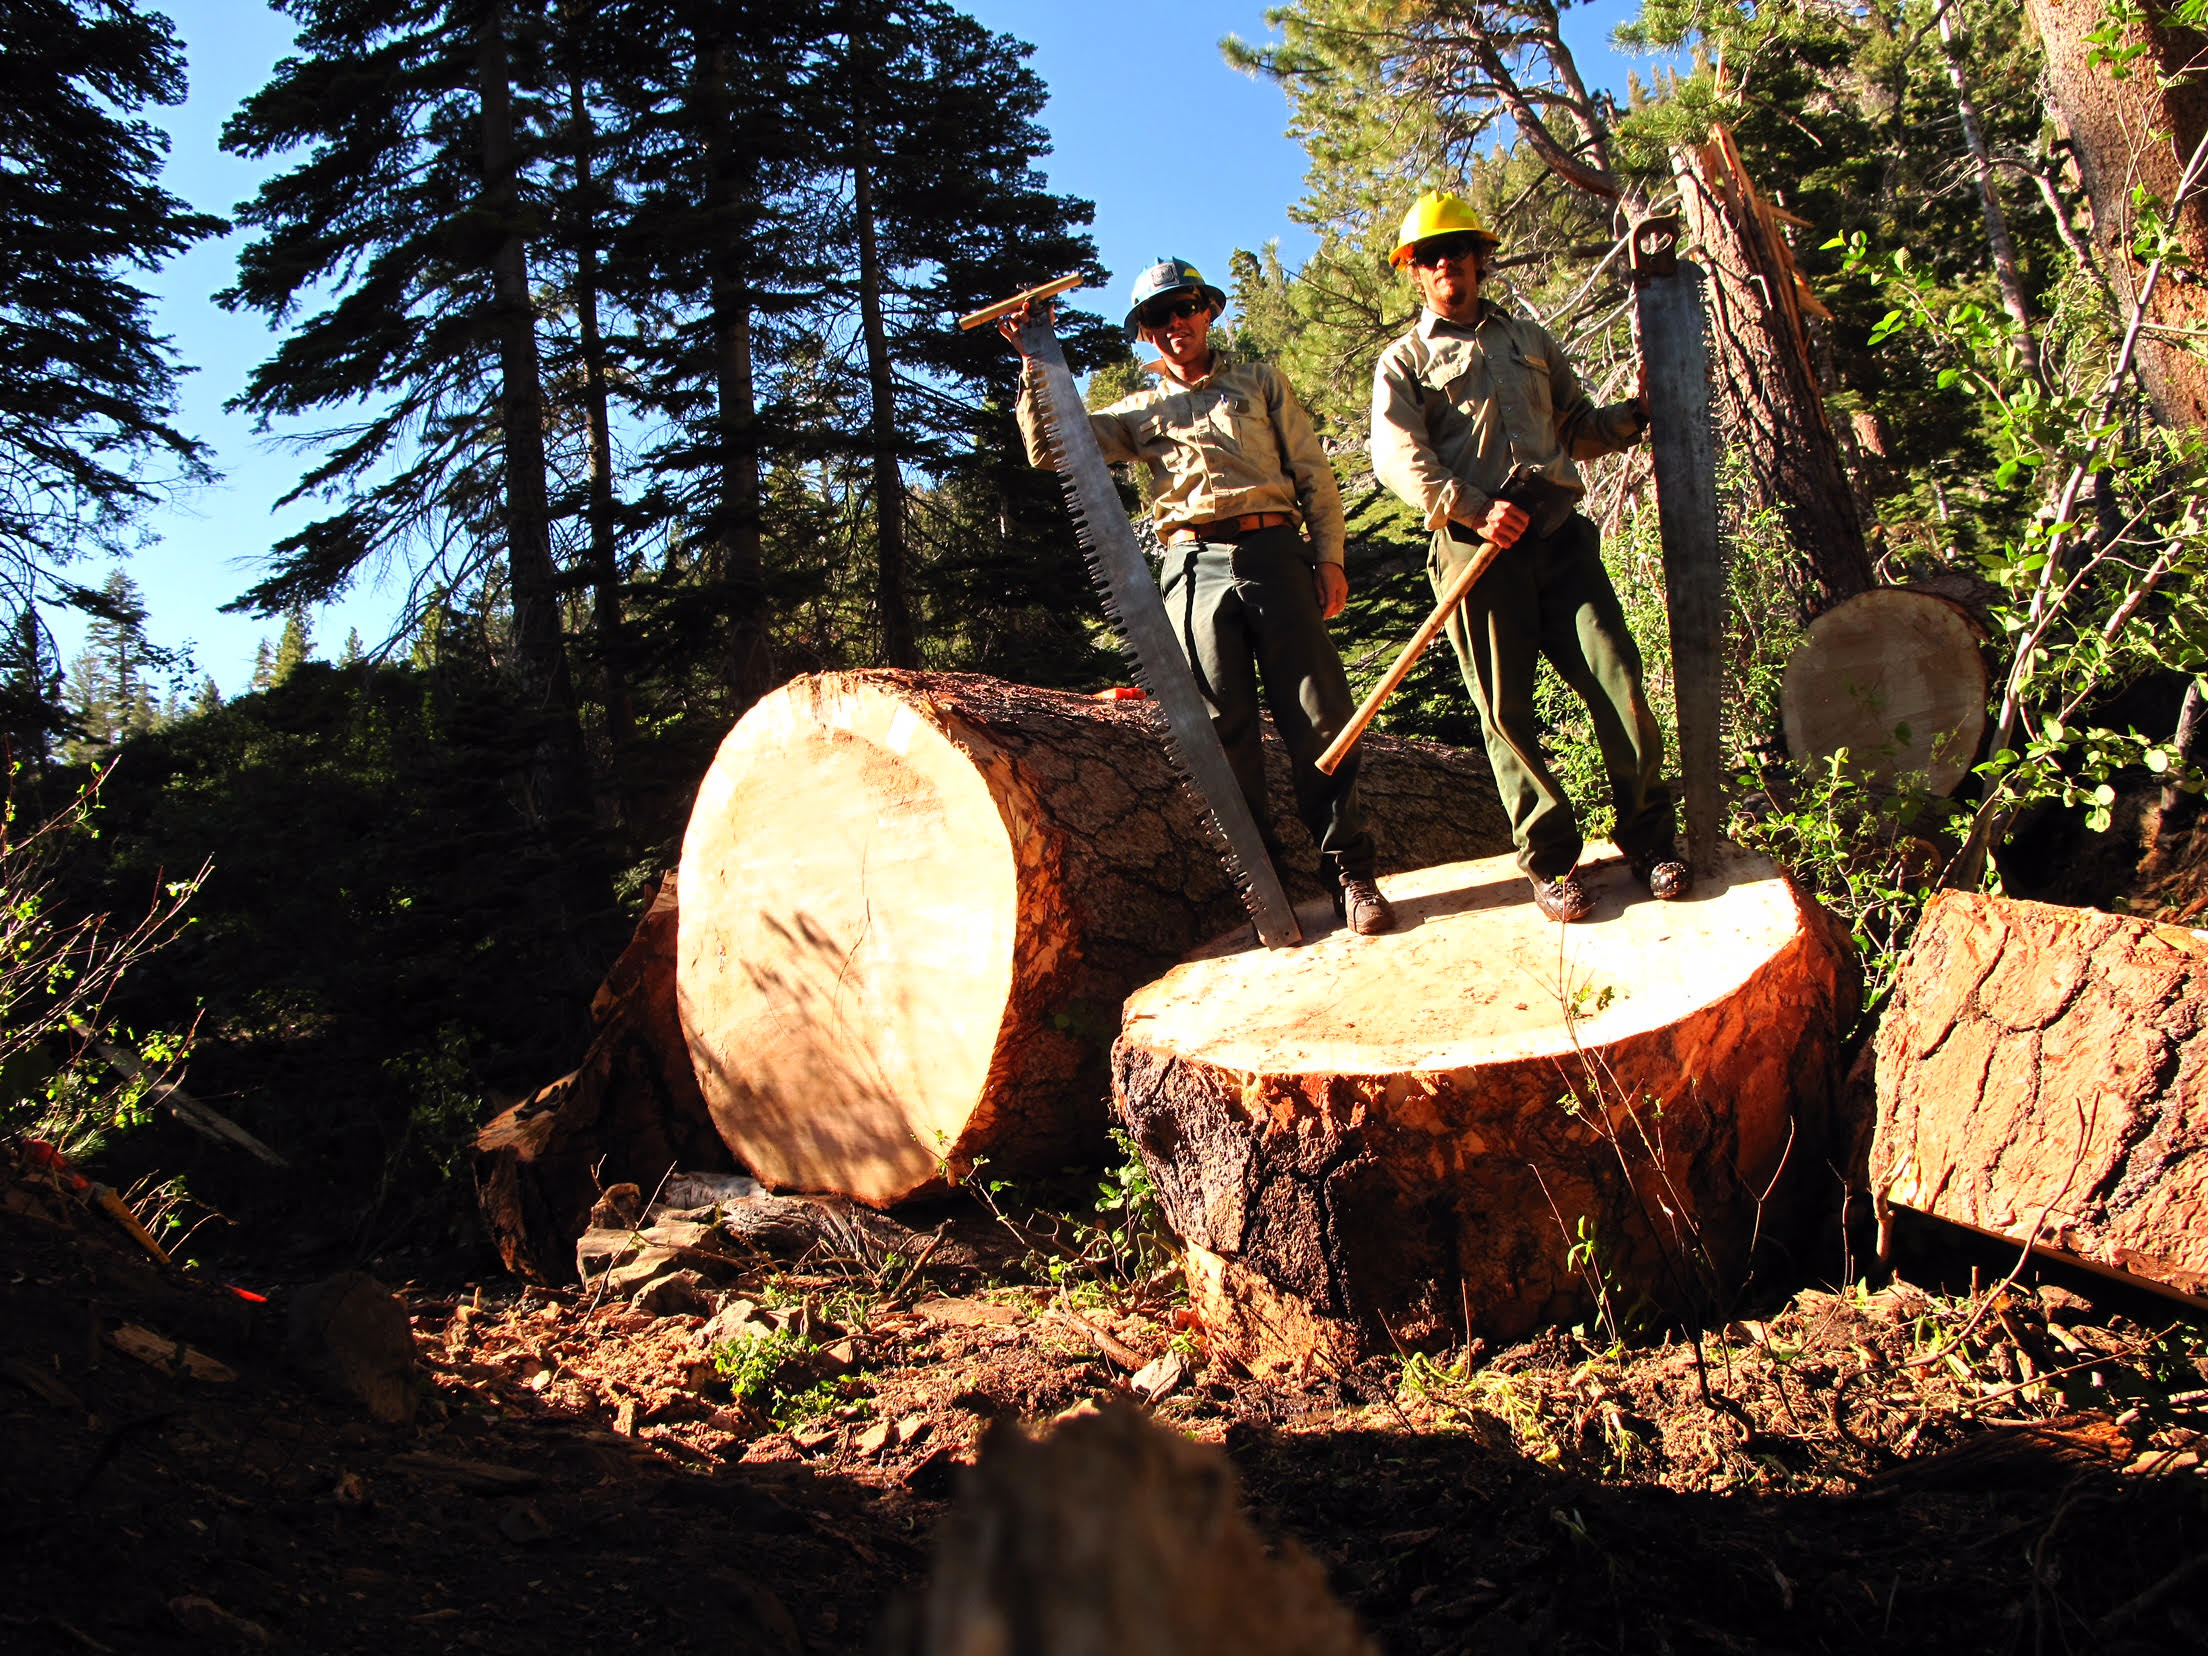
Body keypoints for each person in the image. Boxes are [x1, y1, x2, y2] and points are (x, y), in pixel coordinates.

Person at [1000, 257, 1394, 935]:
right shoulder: (1136, 411)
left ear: (1208, 310)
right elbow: (1050, 451)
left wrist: (1328, 557)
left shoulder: (1259, 382)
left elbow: (1314, 473)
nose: (1175, 323)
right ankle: (1267, 892)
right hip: (1191, 570)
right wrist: (1038, 362)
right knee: (1222, 732)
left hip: (1275, 554)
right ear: (1146, 333)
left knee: (1321, 716)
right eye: (1158, 317)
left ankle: (1351, 876)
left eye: (1185, 308)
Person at [1369, 192, 1687, 923]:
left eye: (1458, 250)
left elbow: (1576, 426)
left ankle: (1649, 839)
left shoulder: (1530, 340)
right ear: (1414, 272)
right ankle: (1550, 864)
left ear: (1480, 258)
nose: (1447, 263)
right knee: (1506, 713)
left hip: (1559, 542)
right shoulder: (1406, 361)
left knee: (1619, 681)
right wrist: (1477, 508)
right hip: (1473, 554)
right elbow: (1395, 456)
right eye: (1430, 255)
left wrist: (1632, 417)